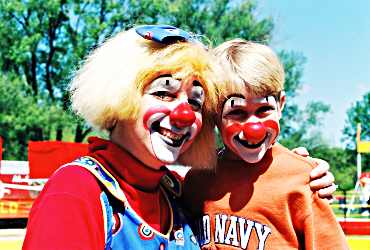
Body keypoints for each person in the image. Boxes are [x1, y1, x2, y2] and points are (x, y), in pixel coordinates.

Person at [23, 25, 222, 250]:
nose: (184, 115)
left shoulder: (177, 191)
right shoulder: (75, 191)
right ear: (121, 95)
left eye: (195, 102)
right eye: (164, 93)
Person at [183, 39, 348, 249]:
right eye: (237, 112)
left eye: (263, 110)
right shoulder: (196, 179)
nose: (254, 127)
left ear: (280, 105)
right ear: (214, 113)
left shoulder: (305, 180)